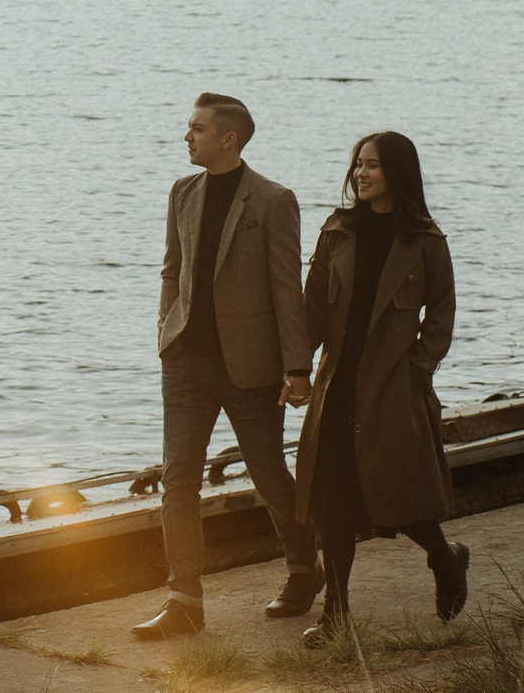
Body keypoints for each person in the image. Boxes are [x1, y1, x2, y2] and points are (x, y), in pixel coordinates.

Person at [131, 93, 324, 640]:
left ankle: (303, 570)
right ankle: (184, 601)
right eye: (188, 128)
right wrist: (166, 333)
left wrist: (297, 368)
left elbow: (288, 289)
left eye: (196, 129)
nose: (186, 137)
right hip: (186, 362)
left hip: (253, 368)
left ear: (228, 139)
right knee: (178, 481)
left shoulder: (273, 200)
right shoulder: (182, 191)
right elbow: (172, 269)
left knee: (269, 476)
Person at [294, 130, 469, 647]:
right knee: (332, 500)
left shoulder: (426, 241)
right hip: (336, 385)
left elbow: (441, 314)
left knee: (397, 493)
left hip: (392, 387)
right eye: (357, 166)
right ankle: (336, 616)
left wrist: (417, 369)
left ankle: (445, 558)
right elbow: (311, 311)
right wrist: (295, 370)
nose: (360, 175)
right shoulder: (338, 230)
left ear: (397, 172)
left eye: (371, 166)